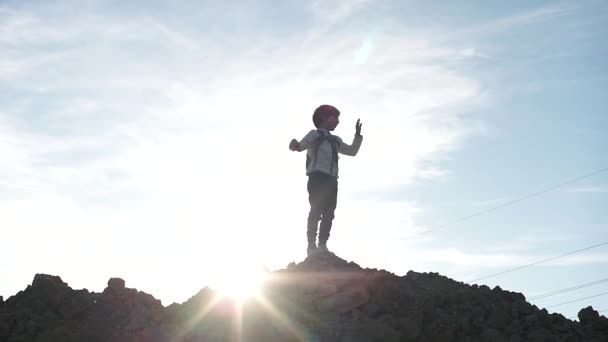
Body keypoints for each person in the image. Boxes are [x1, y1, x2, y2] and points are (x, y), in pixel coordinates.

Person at [289, 104, 363, 256]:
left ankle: (322, 245)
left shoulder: (335, 140)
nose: (337, 122)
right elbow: (301, 146)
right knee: (316, 209)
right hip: (317, 177)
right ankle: (311, 245)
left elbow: (352, 151)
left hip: (332, 180)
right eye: (335, 118)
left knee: (329, 212)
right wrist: (295, 144)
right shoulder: (314, 135)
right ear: (323, 118)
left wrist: (357, 136)